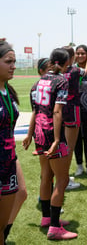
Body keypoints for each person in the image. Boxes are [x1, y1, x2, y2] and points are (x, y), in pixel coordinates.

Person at [22, 48, 77, 240]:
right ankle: (55, 227)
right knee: (61, 180)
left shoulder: (38, 83)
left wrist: (30, 135)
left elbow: (36, 111)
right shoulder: (61, 81)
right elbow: (57, 111)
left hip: (39, 134)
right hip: (53, 135)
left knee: (46, 176)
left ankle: (47, 218)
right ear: (66, 63)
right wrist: (56, 139)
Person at [0, 40, 22, 243]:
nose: (13, 65)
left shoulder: (8, 91)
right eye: (8, 61)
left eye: (14, 61)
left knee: (21, 193)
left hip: (8, 158)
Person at [72, 44, 87, 177]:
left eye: (83, 53)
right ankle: (79, 165)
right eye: (78, 53)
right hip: (74, 111)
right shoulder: (72, 70)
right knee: (76, 140)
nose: (80, 56)